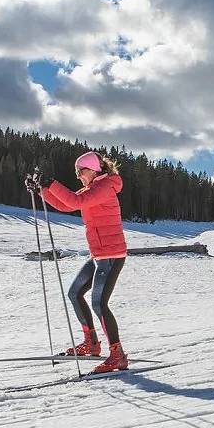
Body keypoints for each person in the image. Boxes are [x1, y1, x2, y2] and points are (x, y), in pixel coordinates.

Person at [39, 151, 129, 373]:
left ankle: (117, 355)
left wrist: (52, 183)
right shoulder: (92, 190)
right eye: (77, 172)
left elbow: (75, 200)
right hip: (98, 254)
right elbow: (66, 205)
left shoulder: (104, 187)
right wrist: (41, 190)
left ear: (94, 169)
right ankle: (91, 343)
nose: (78, 175)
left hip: (111, 254)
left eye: (82, 171)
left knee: (99, 303)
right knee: (74, 293)